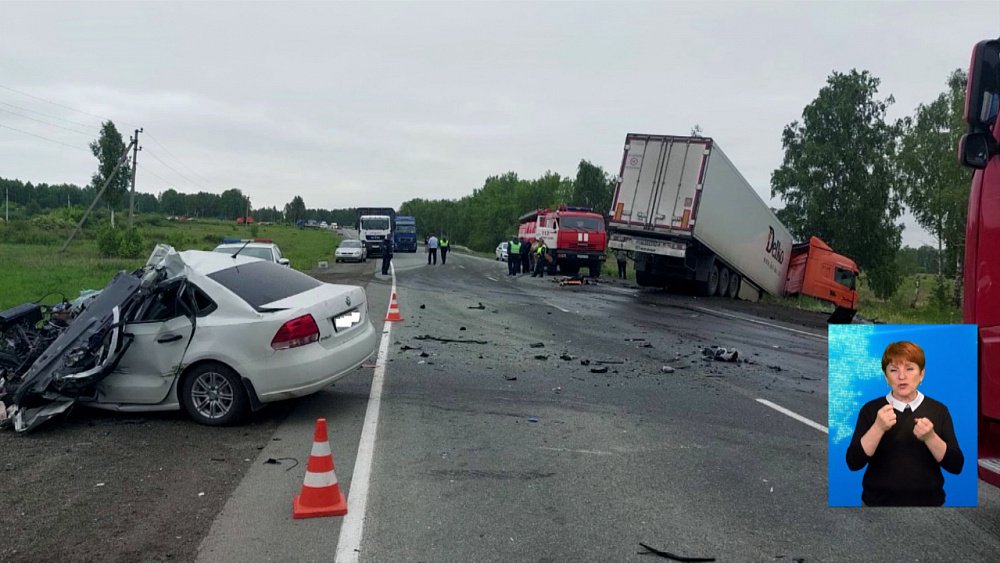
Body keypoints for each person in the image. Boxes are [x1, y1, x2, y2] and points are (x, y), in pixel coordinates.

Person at [845, 341, 964, 506]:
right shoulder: (871, 410)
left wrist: (930, 437)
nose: (901, 376)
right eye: (893, 370)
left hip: (929, 506)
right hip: (877, 505)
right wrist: (878, 428)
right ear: (886, 377)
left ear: (921, 374)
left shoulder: (939, 410)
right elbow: (853, 462)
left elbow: (956, 465)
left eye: (909, 369)